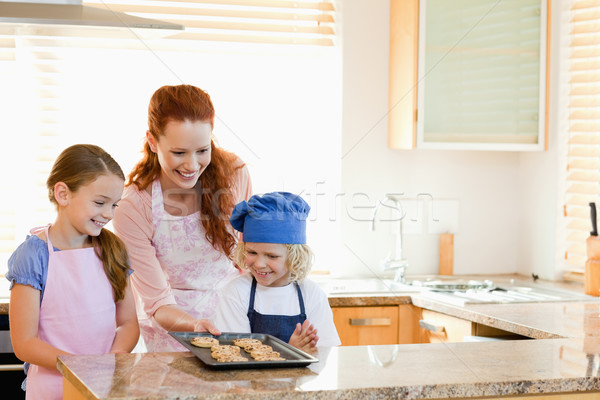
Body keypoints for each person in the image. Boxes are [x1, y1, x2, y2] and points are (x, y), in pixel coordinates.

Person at [112, 84, 252, 352]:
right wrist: (197, 325)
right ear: (153, 142)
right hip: (171, 335)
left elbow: (248, 257)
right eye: (179, 153)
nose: (191, 165)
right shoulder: (133, 206)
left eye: (202, 150)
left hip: (235, 323)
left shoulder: (235, 174)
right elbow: (157, 302)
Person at [7, 144, 139, 400]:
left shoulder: (114, 250)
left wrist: (113, 361)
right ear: (63, 194)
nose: (108, 214)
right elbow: (24, 343)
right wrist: (78, 367)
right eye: (100, 202)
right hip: (51, 388)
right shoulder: (33, 256)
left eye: (114, 205)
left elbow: (128, 323)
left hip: (103, 386)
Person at [214, 192, 341, 355]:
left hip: (301, 381)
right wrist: (289, 352)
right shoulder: (236, 292)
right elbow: (235, 356)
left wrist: (298, 353)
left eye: (272, 256)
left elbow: (324, 355)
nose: (259, 264)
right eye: (252, 252)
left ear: (295, 257)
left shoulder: (311, 294)